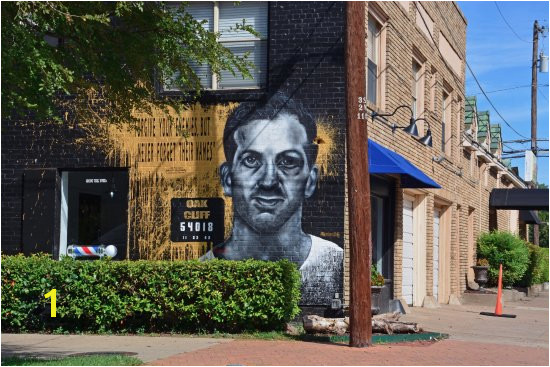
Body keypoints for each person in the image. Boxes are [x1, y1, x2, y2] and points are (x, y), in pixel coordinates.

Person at [201, 92, 342, 305]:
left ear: (310, 180)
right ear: (228, 179)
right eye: (251, 160)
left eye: (287, 161)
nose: (268, 181)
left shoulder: (337, 263)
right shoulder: (201, 270)